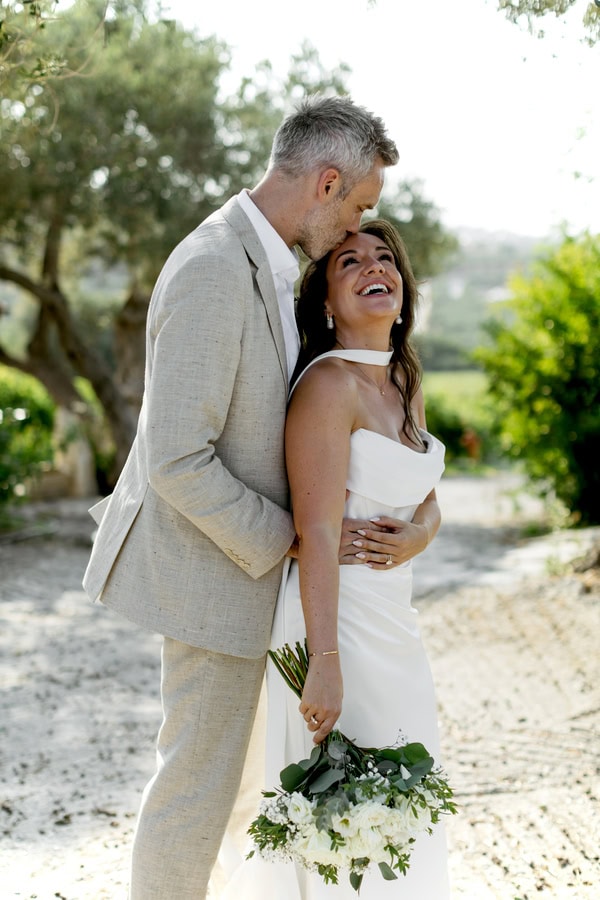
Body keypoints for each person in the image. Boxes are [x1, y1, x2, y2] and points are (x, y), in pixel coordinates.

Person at [82, 95, 404, 899]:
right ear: (328, 183)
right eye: (360, 206)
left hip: (262, 586)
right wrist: (292, 536)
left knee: (238, 798)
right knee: (196, 793)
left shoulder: (265, 261)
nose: (359, 225)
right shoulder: (214, 267)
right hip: (214, 579)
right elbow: (176, 460)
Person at [220, 219, 449, 898]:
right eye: (349, 261)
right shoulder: (328, 388)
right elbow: (315, 533)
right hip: (334, 624)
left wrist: (419, 537)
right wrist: (323, 666)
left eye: (385, 259)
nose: (373, 267)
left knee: (404, 803)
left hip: (394, 627)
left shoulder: (403, 378)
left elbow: (428, 500)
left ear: (403, 291)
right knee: (342, 818)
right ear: (326, 300)